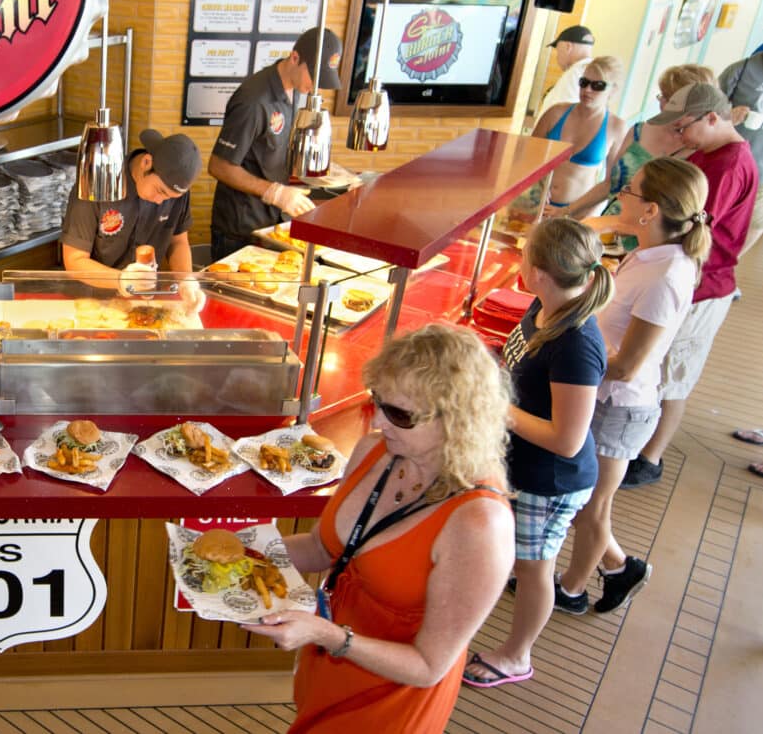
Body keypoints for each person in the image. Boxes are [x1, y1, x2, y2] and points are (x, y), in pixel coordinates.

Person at [240, 324, 513, 732]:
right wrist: (246, 545)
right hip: (331, 660)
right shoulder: (375, 450)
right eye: (377, 402)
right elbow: (323, 547)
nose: (380, 422)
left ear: (458, 418)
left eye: (400, 414)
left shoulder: (479, 524)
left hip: (393, 695)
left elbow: (428, 666)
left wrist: (330, 636)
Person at [463, 218, 610, 689]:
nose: (519, 262)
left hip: (550, 480)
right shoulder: (544, 307)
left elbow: (567, 439)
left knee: (534, 569)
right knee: (517, 560)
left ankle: (517, 655)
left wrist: (496, 407)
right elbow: (521, 366)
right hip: (520, 464)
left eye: (525, 255)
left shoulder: (577, 343)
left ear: (540, 271)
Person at [558, 157, 707, 613]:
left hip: (620, 406)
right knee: (584, 500)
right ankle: (622, 567)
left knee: (591, 505)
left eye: (632, 190)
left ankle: (572, 590)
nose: (622, 193)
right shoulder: (646, 253)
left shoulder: (666, 276)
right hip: (605, 397)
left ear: (652, 211)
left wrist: (563, 361)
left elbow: (626, 366)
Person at [624, 83, 757, 486]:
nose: (679, 137)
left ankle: (651, 457)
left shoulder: (728, 164)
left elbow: (689, 226)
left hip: (705, 287)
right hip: (692, 279)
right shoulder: (709, 153)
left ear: (712, 118)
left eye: (683, 127)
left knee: (674, 375)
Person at [208, 28, 343, 262]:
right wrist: (274, 192)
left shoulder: (295, 89)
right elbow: (218, 166)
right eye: (313, 76)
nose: (316, 86)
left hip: (270, 224)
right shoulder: (254, 100)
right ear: (294, 58)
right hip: (241, 229)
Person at [60, 128, 205, 309]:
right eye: (160, 191)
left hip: (145, 300)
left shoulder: (177, 193)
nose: (161, 201)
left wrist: (186, 280)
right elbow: (74, 259)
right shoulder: (97, 183)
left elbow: (178, 242)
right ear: (146, 162)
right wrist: (122, 280)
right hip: (93, 300)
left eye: (169, 197)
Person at [563, 63, 711, 237]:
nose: (661, 104)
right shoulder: (640, 130)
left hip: (647, 244)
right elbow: (609, 184)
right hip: (607, 233)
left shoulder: (699, 153)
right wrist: (567, 212)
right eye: (661, 96)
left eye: (668, 100)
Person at [520, 56, 629, 218]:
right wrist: (539, 184)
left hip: (576, 213)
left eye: (598, 85)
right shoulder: (555, 113)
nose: (587, 90)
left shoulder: (615, 127)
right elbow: (528, 155)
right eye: (583, 82)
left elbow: (611, 184)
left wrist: (566, 212)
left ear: (613, 90)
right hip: (537, 205)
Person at [717, 43, 763, 256]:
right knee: (717, 222)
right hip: (732, 168)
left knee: (755, 224)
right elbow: (708, 115)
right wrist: (729, 116)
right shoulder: (740, 70)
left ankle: (725, 269)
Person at [533, 24, 597, 121]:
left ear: (568, 47)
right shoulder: (591, 71)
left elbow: (564, 118)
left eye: (558, 50)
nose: (557, 56)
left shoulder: (575, 74)